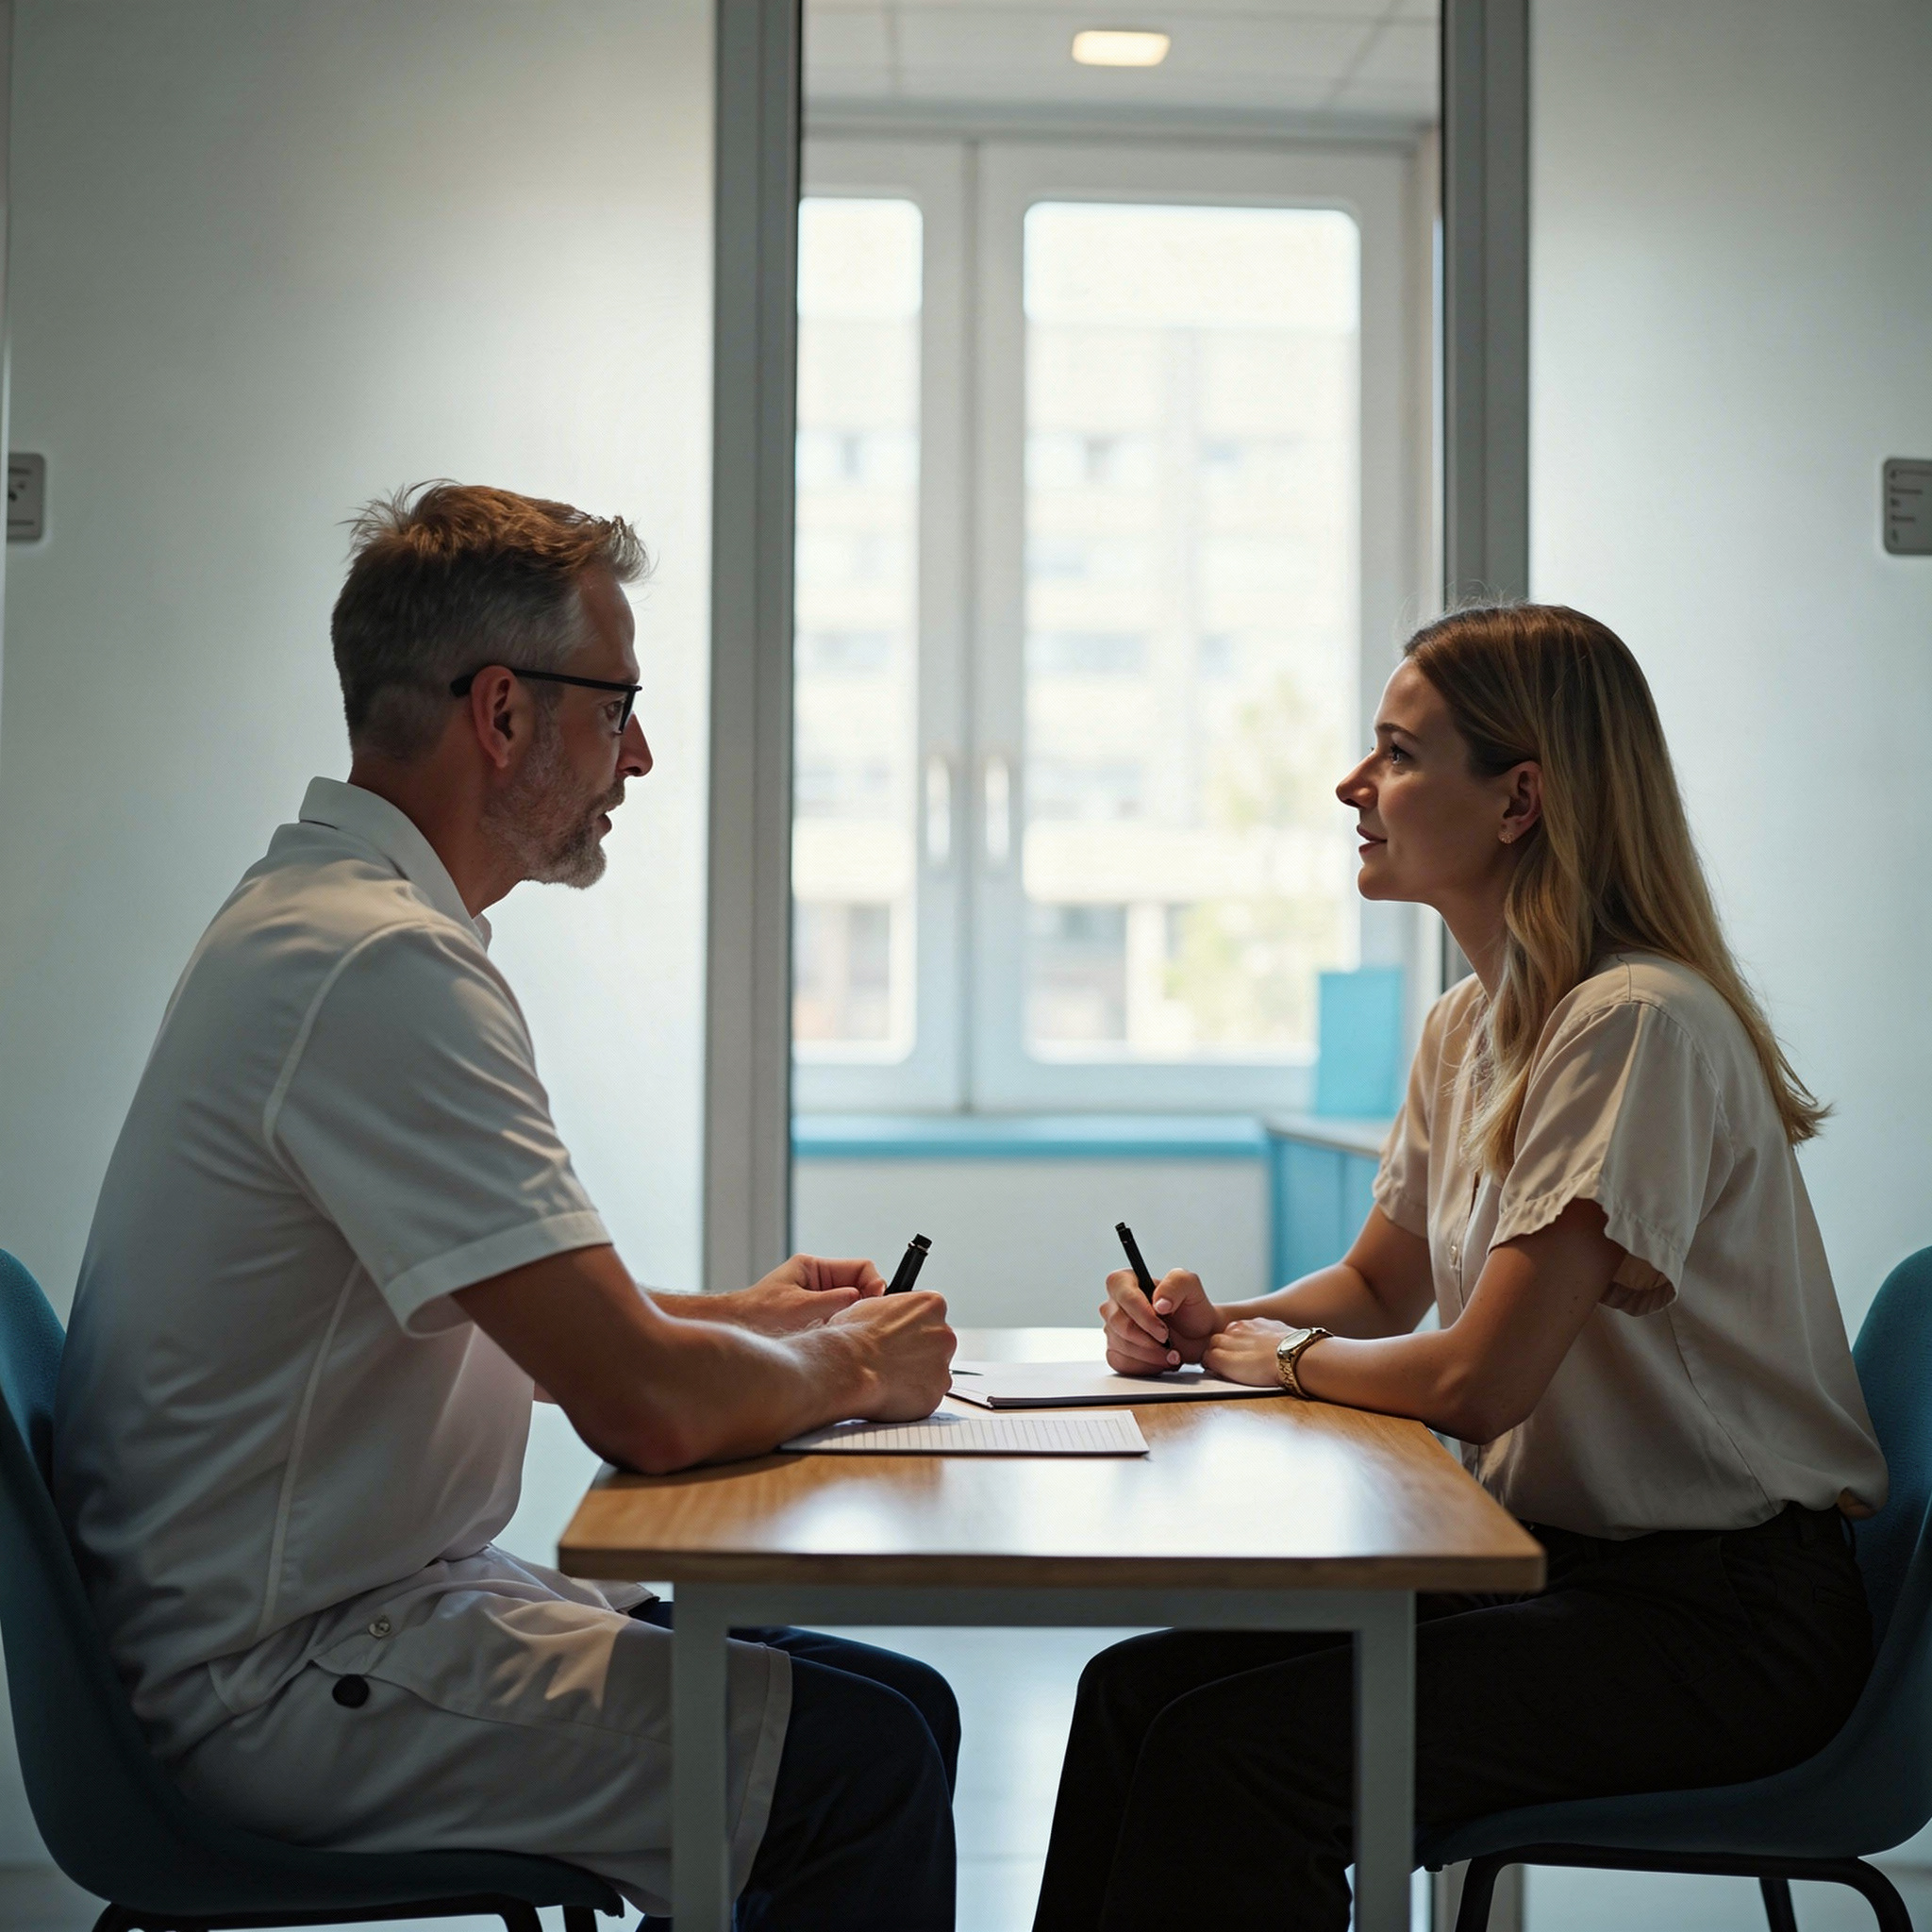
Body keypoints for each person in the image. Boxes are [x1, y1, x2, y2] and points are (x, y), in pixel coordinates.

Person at [53, 482, 960, 1931]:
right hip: (281, 1679)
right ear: (503, 712)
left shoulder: (324, 919)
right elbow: (642, 1410)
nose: (638, 755)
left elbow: (518, 1313)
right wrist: (854, 1365)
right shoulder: (380, 968)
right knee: (864, 1763)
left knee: (896, 1707)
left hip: (338, 1609)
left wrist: (745, 1322)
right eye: (619, 706)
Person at [1033, 603, 1888, 1932]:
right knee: (1134, 1697)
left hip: (1719, 1624)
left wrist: (1280, 1359)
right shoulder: (1470, 1023)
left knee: (1230, 1759)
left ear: (1518, 801)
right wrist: (1215, 1325)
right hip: (1556, 1568)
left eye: (1397, 753)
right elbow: (1383, 1288)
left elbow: (1481, 1382)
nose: (1351, 785)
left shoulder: (1635, 1025)